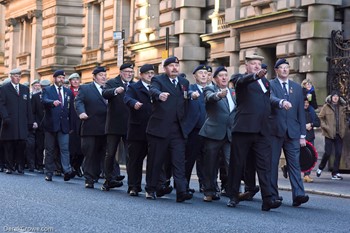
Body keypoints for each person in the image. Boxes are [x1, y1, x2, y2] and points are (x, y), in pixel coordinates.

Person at [226, 54, 282, 211]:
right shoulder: (240, 78)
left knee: (264, 165)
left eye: (259, 64)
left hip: (262, 130)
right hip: (243, 128)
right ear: (246, 66)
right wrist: (254, 76)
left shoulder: (265, 82)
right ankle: (233, 195)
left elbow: (267, 101)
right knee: (237, 164)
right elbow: (242, 81)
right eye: (253, 63)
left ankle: (268, 199)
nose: (257, 66)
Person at [145, 56, 199, 202]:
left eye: (177, 65)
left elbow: (185, 102)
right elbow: (152, 90)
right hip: (160, 129)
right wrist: (159, 95)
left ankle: (181, 191)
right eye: (171, 66)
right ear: (165, 68)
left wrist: (192, 96)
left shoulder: (184, 82)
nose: (175, 68)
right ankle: (151, 189)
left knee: (179, 161)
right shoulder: (158, 80)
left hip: (177, 129)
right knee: (156, 160)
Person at [269, 58, 309, 207]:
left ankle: (298, 194)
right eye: (282, 68)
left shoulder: (297, 88)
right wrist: (281, 102)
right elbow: (270, 98)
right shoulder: (270, 85)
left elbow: (301, 112)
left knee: (294, 165)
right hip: (274, 131)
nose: (285, 70)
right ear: (276, 70)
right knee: (272, 164)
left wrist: (303, 134)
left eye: (287, 67)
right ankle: (273, 195)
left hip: (293, 132)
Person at [199, 66, 236, 202]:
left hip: (229, 134)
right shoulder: (210, 89)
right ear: (215, 79)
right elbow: (210, 98)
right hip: (213, 133)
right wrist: (219, 95)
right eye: (221, 75)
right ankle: (209, 191)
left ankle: (233, 191)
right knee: (210, 163)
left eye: (226, 75)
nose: (224, 77)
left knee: (230, 162)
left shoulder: (233, 92)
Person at [123, 64, 155, 196]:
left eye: (152, 73)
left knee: (154, 160)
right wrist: (133, 103)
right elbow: (127, 98)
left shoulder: (156, 87)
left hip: (154, 129)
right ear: (141, 75)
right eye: (147, 73)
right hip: (137, 129)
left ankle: (152, 187)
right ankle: (133, 186)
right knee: (135, 160)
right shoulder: (134, 87)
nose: (150, 75)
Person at [101, 63, 134, 190]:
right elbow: (104, 93)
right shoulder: (112, 82)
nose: (129, 74)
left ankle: (132, 184)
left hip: (129, 126)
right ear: (121, 72)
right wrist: (115, 91)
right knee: (110, 154)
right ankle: (108, 179)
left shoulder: (134, 84)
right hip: (114, 125)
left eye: (131, 71)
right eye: (127, 71)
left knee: (130, 155)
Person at [42, 70, 76, 182]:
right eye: (59, 77)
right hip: (50, 125)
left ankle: (67, 171)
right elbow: (44, 100)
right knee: (50, 150)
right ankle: (48, 172)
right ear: (54, 78)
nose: (61, 79)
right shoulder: (47, 90)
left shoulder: (68, 92)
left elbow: (71, 110)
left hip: (64, 125)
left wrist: (72, 126)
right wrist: (52, 102)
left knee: (65, 149)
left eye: (62, 77)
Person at [0, 68, 35, 174]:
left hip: (22, 123)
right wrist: (5, 117)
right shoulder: (4, 88)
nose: (18, 78)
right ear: (11, 77)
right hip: (9, 122)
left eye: (19, 76)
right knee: (9, 145)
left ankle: (20, 166)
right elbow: (1, 104)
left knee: (21, 144)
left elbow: (28, 105)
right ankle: (10, 166)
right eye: (15, 76)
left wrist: (30, 120)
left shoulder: (25, 89)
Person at [183, 64, 209, 193]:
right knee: (189, 159)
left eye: (206, 73)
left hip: (209, 131)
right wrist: (190, 94)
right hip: (194, 131)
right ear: (195, 76)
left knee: (206, 160)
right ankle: (184, 185)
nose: (204, 75)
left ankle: (204, 184)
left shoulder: (212, 89)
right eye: (201, 73)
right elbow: (184, 95)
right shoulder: (190, 89)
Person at [316, 91, 348, 180]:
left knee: (338, 153)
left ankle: (335, 173)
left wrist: (344, 128)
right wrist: (325, 127)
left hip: (339, 134)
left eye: (337, 96)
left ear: (338, 98)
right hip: (329, 133)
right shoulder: (326, 107)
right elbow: (320, 117)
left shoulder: (342, 107)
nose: (335, 98)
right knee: (327, 152)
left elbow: (345, 119)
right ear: (331, 97)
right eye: (334, 96)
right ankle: (320, 167)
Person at [31, 79, 51, 173]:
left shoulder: (54, 95)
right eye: (43, 87)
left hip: (51, 125)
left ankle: (49, 165)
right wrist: (34, 122)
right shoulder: (35, 97)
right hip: (40, 124)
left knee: (50, 147)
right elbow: (32, 111)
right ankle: (39, 164)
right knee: (40, 146)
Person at [68, 73, 84, 177]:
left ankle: (78, 166)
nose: (75, 81)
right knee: (72, 148)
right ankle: (72, 167)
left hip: (82, 121)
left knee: (82, 148)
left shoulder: (84, 90)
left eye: (77, 79)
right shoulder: (68, 92)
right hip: (71, 122)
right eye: (73, 80)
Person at [303, 97, 320, 183]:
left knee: (309, 157)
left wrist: (311, 124)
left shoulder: (311, 111)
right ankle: (287, 167)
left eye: (307, 103)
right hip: (300, 137)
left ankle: (307, 175)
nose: (306, 104)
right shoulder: (298, 111)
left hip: (310, 137)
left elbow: (318, 122)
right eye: (304, 103)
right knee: (298, 156)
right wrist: (304, 126)